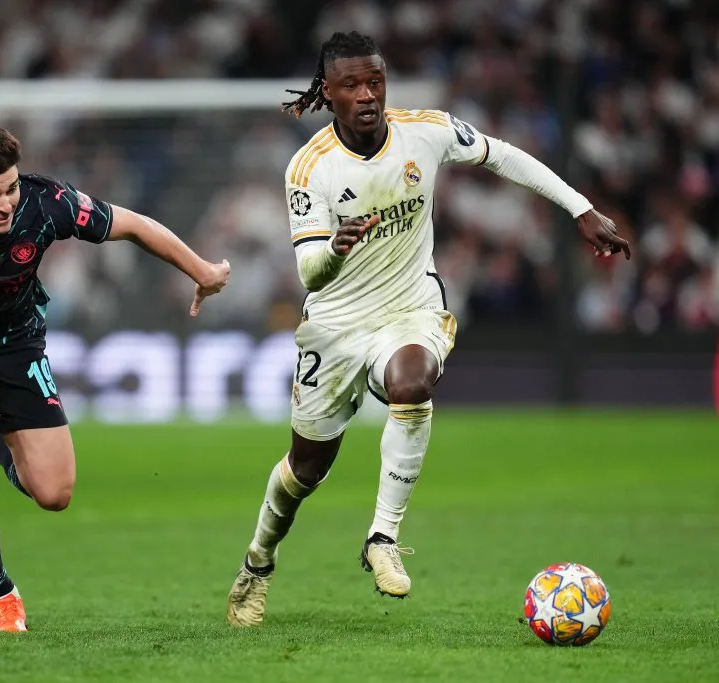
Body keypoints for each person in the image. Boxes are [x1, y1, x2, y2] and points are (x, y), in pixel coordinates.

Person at [225, 31, 630, 627]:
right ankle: (257, 564)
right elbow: (310, 273)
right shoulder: (309, 167)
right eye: (351, 86)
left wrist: (579, 207)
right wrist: (336, 249)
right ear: (328, 93)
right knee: (304, 470)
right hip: (336, 326)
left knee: (412, 382)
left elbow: (504, 155)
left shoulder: (426, 130)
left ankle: (382, 537)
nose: (367, 94)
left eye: (375, 82)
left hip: (409, 309)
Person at [0, 127, 230, 632]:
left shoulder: (46, 202)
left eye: (11, 188)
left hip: (18, 347)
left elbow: (130, 224)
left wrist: (199, 269)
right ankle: (2, 594)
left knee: (54, 493)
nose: (6, 204)